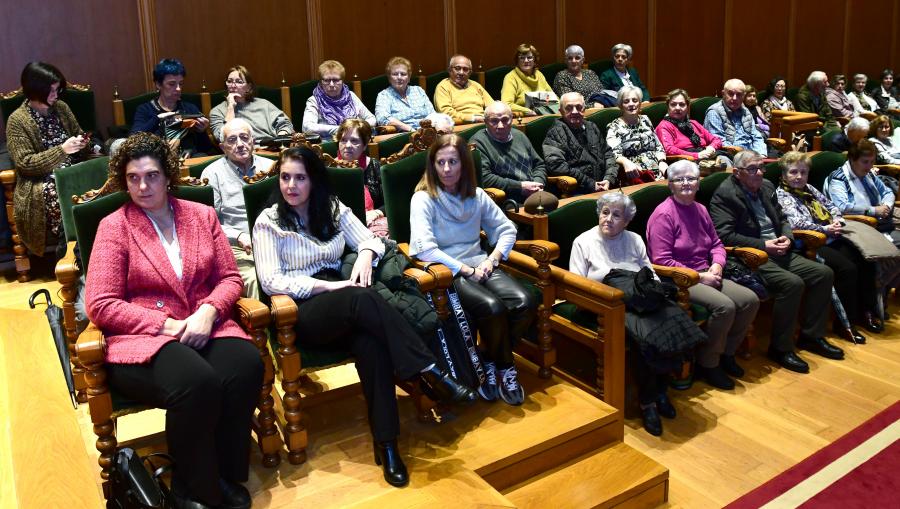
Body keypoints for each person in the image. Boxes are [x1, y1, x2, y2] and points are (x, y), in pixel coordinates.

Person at [252, 146, 475, 488]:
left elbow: (373, 239)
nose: (291, 186)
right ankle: (429, 370)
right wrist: (329, 288)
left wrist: (364, 256)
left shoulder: (331, 208)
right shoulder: (270, 221)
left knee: (373, 345)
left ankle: (387, 446)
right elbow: (271, 280)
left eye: (300, 178)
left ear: (314, 181)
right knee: (361, 297)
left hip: (353, 303)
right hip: (303, 311)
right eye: (285, 177)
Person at [85, 132, 261, 509]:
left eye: (151, 175)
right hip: (144, 337)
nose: (143, 185)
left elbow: (230, 278)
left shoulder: (202, 216)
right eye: (133, 178)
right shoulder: (114, 226)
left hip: (203, 320)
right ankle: (191, 487)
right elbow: (100, 303)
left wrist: (209, 311)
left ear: (167, 176)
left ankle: (224, 473)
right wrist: (165, 325)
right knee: (196, 383)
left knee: (245, 365)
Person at [409, 133, 535, 406]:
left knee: (524, 302)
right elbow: (424, 249)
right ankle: (507, 367)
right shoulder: (423, 199)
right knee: (492, 308)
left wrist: (493, 259)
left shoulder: (477, 196)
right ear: (432, 166)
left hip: (481, 263)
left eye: (452, 162)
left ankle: (490, 359)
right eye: (440, 163)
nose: (446, 169)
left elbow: (506, 230)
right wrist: (465, 269)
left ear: (464, 165)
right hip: (447, 271)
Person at [570, 193, 704, 436]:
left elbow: (649, 272)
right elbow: (576, 283)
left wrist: (654, 293)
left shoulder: (634, 239)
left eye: (616, 215)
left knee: (674, 323)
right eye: (605, 212)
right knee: (646, 340)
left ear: (627, 221)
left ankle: (662, 390)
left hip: (641, 298)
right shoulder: (583, 241)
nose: (608, 219)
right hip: (606, 304)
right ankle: (649, 402)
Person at [710, 150, 842, 374]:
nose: (759, 173)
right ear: (737, 173)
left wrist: (787, 238)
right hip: (753, 255)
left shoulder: (767, 186)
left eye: (761, 167)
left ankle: (811, 336)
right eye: (752, 169)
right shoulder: (725, 195)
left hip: (780, 248)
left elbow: (782, 218)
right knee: (792, 284)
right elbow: (725, 236)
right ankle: (780, 348)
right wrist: (764, 246)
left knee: (823, 273)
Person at [647, 160, 760, 389]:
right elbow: (661, 261)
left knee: (750, 300)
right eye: (680, 179)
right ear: (670, 185)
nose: (686, 183)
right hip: (679, 279)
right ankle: (709, 363)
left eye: (691, 179)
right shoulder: (663, 215)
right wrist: (699, 277)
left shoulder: (700, 209)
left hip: (707, 271)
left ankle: (727, 353)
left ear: (699, 183)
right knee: (725, 306)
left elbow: (717, 244)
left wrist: (717, 265)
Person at [775, 151, 875, 342]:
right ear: (784, 175)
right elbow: (796, 223)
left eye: (803, 172)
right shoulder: (782, 195)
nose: (799, 177)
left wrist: (837, 221)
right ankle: (845, 324)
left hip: (830, 236)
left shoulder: (810, 189)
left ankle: (866, 312)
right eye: (793, 172)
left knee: (865, 260)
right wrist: (825, 228)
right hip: (809, 243)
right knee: (847, 269)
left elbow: (832, 207)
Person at [6, 61, 89, 257]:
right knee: (57, 189)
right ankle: (69, 250)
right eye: (51, 91)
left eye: (58, 90)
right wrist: (62, 150)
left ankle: (94, 240)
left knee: (96, 178)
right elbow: (25, 164)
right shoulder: (17, 121)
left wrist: (81, 143)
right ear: (36, 91)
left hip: (73, 168)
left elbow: (77, 134)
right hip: (40, 179)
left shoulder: (62, 108)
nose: (56, 95)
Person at [200, 118, 274, 299]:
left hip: (274, 239)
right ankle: (265, 325)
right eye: (232, 140)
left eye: (244, 137)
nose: (240, 144)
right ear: (222, 146)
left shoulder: (271, 167)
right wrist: (238, 235)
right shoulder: (212, 174)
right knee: (255, 279)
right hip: (237, 247)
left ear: (253, 140)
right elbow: (209, 223)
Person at [827, 139, 900, 246]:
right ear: (852, 160)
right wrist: (874, 211)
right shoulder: (839, 178)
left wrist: (886, 206)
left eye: (872, 162)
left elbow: (887, 192)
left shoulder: (868, 174)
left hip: (883, 215)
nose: (870, 166)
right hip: (860, 222)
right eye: (865, 162)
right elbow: (842, 207)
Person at [131, 58, 212, 154]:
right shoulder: (145, 109)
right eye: (172, 84)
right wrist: (158, 119)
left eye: (180, 84)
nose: (178, 89)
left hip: (190, 160)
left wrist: (202, 131)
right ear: (158, 84)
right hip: (158, 160)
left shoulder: (190, 108)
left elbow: (206, 149)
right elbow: (134, 140)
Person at [470, 101, 546, 203]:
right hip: (507, 200)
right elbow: (485, 178)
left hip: (535, 193)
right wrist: (520, 187)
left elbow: (539, 165)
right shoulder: (478, 143)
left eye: (505, 120)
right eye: (494, 121)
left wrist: (537, 183)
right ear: (485, 122)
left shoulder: (519, 135)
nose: (500, 126)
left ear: (512, 119)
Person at [542, 92, 615, 193]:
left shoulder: (591, 127)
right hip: (577, 190)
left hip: (605, 185)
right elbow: (556, 166)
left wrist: (608, 179)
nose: (575, 111)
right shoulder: (555, 133)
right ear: (561, 111)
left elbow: (608, 154)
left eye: (579, 107)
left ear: (584, 110)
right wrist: (591, 184)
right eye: (569, 108)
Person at [210, 65, 293, 142]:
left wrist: (280, 139)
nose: (233, 85)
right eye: (229, 81)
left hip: (271, 146)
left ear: (249, 87)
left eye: (239, 82)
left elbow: (285, 124)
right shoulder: (217, 111)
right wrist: (231, 107)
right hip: (241, 151)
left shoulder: (263, 104)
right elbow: (221, 137)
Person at [335, 118, 387, 236]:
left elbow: (390, 202)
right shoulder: (329, 168)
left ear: (364, 145)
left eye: (354, 141)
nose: (347, 145)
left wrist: (377, 212)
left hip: (373, 223)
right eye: (343, 140)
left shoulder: (375, 166)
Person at [606, 85, 667, 184]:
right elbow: (613, 154)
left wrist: (662, 162)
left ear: (640, 103)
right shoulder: (614, 126)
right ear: (621, 105)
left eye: (635, 100)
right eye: (626, 101)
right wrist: (625, 162)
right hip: (635, 175)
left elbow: (658, 146)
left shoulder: (645, 119)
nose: (631, 104)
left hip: (659, 171)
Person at [302, 60, 375, 139]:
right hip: (328, 144)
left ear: (342, 81)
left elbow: (372, 119)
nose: (332, 84)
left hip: (354, 140)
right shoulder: (314, 100)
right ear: (320, 82)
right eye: (326, 80)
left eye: (336, 80)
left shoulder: (351, 95)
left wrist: (356, 127)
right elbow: (307, 127)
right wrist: (342, 129)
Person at [655, 88, 725, 163]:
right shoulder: (664, 126)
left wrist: (711, 148)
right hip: (683, 162)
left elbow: (716, 140)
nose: (678, 108)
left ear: (688, 107)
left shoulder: (694, 124)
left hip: (706, 156)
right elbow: (668, 149)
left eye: (682, 104)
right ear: (668, 107)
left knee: (725, 160)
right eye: (673, 104)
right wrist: (696, 155)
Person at [704, 79, 767, 154]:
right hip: (728, 154)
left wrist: (761, 154)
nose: (734, 98)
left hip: (751, 154)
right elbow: (718, 141)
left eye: (739, 94)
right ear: (723, 94)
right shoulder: (714, 112)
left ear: (743, 96)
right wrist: (743, 154)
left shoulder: (746, 111)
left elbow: (756, 136)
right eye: (730, 94)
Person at [374, 56, 435, 132]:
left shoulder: (418, 90)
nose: (399, 77)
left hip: (426, 132)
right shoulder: (384, 95)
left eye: (403, 74)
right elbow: (382, 118)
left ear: (409, 77)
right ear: (389, 78)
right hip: (402, 134)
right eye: (395, 74)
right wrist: (410, 129)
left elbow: (432, 114)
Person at [433, 55, 494, 124]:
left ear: (470, 73)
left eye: (465, 69)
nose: (461, 72)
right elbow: (446, 113)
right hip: (459, 125)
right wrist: (473, 118)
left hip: (483, 122)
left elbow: (492, 105)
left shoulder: (476, 85)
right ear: (450, 70)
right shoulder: (443, 86)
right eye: (457, 68)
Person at [501, 43, 555, 116]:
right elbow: (506, 104)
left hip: (545, 115)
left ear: (534, 60)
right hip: (524, 118)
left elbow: (553, 99)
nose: (526, 61)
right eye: (522, 58)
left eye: (529, 57)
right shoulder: (510, 77)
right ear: (517, 60)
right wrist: (528, 111)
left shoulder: (539, 74)